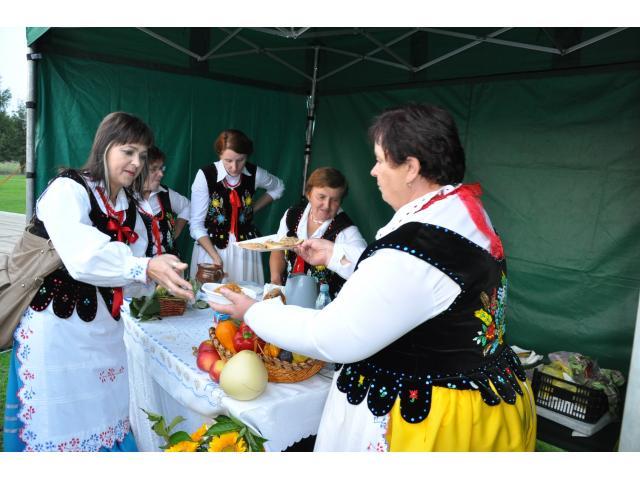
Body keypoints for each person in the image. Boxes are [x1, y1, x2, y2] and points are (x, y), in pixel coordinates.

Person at [210, 104, 537, 452]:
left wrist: (253, 311)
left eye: (381, 160)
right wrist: (334, 255)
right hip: (479, 400)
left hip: (429, 421)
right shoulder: (460, 211)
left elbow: (333, 336)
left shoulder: (417, 246)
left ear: (411, 168)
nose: (373, 171)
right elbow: (414, 289)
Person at [2, 112, 194, 452]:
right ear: (105, 147)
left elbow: (131, 276)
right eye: (128, 151)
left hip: (104, 331)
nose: (136, 163)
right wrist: (145, 267)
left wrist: (159, 277)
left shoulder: (131, 206)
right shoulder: (68, 189)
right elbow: (83, 258)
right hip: (57, 330)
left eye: (142, 155)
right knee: (60, 424)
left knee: (105, 418)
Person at [189, 128, 284, 283]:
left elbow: (278, 187)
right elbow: (196, 225)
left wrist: (252, 209)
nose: (234, 167)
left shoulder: (254, 174)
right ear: (220, 155)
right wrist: (215, 257)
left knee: (245, 294)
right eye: (228, 160)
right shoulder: (205, 175)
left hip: (245, 252)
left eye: (240, 160)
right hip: (211, 250)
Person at [269, 167, 367, 297]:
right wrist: (275, 280)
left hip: (327, 304)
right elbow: (278, 249)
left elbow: (365, 269)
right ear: (308, 194)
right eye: (321, 197)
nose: (326, 205)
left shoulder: (347, 231)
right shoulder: (292, 215)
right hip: (288, 294)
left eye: (335, 200)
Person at [137, 145, 190, 257]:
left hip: (170, 262)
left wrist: (175, 231)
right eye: (153, 169)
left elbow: (187, 206)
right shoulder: (126, 199)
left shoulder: (165, 193)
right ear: (138, 170)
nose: (161, 174)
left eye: (161, 168)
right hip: (141, 265)